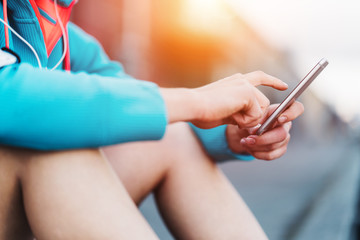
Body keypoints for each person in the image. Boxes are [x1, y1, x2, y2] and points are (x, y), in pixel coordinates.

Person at [0, 0, 304, 239]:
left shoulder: (58, 27)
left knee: (171, 140)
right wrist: (197, 101)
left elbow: (130, 98)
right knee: (56, 143)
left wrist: (235, 132)